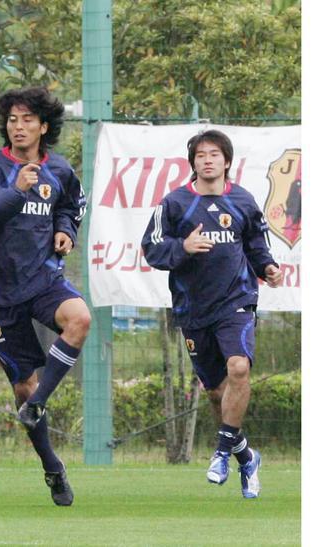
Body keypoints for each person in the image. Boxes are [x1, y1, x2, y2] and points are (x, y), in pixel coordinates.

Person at [0, 86, 89, 506]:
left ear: (43, 126)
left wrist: (65, 231)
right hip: (0, 291)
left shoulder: (60, 170)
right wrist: (16, 189)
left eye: (27, 120)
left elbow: (72, 205)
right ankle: (53, 468)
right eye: (13, 120)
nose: (18, 127)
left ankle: (38, 404)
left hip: (44, 279)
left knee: (80, 319)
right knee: (22, 386)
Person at [141, 129, 282, 499]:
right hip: (193, 309)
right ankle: (246, 456)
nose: (207, 160)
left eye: (214, 154)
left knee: (239, 368)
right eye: (201, 154)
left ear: (226, 161)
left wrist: (267, 267)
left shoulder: (242, 200)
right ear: (193, 163)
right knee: (217, 391)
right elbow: (152, 248)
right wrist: (182, 247)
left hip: (236, 301)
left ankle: (221, 452)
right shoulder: (174, 204)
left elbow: (256, 244)